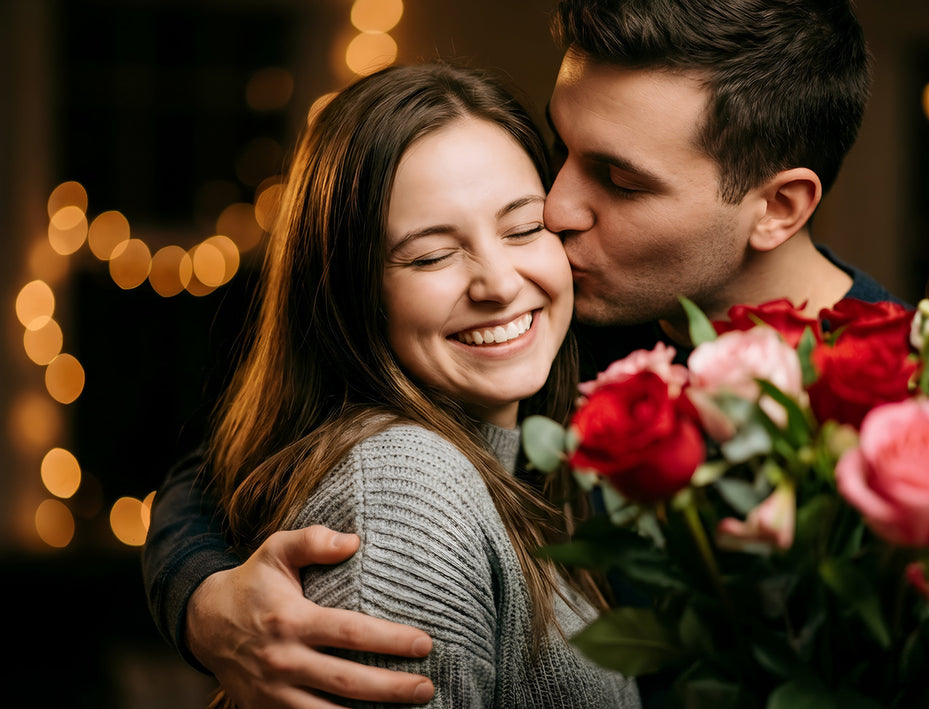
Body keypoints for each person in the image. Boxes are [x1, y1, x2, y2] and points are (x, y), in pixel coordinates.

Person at [142, 1, 900, 706]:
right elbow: (248, 453)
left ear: (777, 206)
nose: (557, 208)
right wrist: (205, 600)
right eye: (561, 146)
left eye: (618, 178)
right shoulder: (549, 301)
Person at [190, 61, 640, 709]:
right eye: (431, 254)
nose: (499, 282)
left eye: (522, 228)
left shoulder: (527, 458)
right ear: (354, 293)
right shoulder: (409, 488)